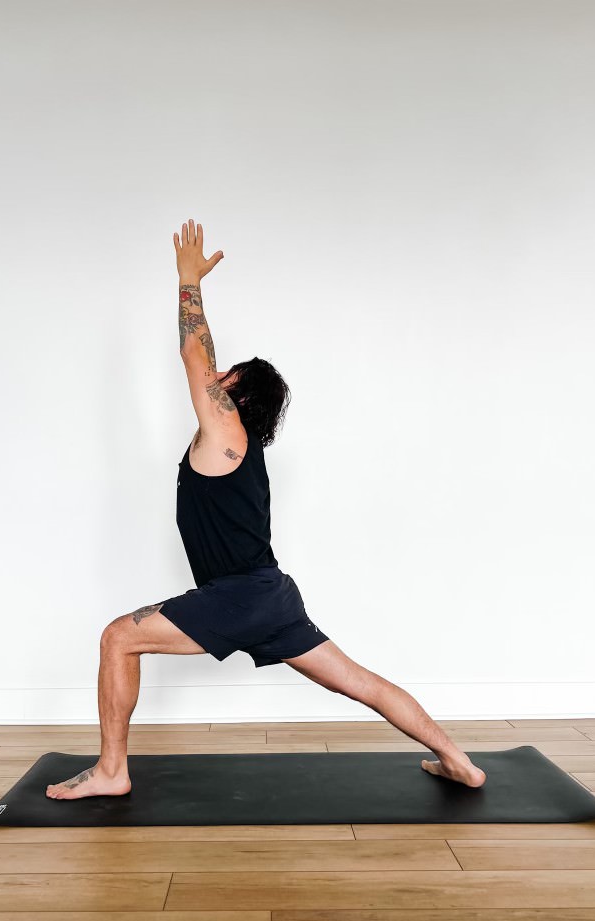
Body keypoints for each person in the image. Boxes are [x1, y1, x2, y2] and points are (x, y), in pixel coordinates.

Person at [46, 219, 486, 800]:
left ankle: (111, 772)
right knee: (357, 682)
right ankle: (458, 759)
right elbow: (204, 358)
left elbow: (192, 348)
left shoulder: (224, 428)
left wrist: (187, 280)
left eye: (226, 377)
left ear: (237, 395)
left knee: (116, 638)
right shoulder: (236, 446)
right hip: (270, 592)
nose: (215, 377)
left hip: (242, 596)